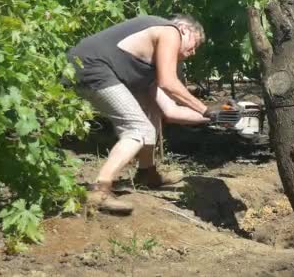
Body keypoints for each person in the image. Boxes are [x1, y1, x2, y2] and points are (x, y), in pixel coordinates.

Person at [66, 14, 219, 215]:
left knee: (151, 113)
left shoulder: (152, 64)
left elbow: (170, 111)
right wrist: (205, 109)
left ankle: (147, 173)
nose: (193, 52)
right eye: (195, 43)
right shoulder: (170, 31)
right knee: (138, 128)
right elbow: (169, 83)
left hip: (99, 69)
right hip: (91, 66)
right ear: (184, 29)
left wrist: (216, 117)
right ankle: (99, 190)